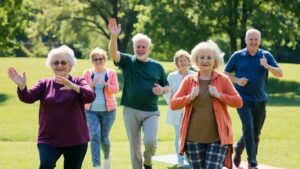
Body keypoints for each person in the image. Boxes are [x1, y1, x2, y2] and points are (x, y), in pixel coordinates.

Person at [7, 45, 96, 169]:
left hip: (76, 139)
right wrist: (22, 87)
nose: (59, 65)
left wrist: (73, 86)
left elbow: (91, 96)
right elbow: (28, 98)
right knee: (46, 165)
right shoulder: (44, 83)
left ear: (70, 65)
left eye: (63, 62)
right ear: (51, 66)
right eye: (55, 62)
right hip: (49, 139)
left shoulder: (79, 81)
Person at [170, 40, 243, 169]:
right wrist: (189, 97)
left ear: (215, 61)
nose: (205, 60)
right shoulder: (188, 81)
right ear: (196, 61)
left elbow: (239, 102)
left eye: (209, 58)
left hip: (219, 138)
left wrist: (220, 96)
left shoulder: (223, 80)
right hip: (192, 139)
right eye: (201, 57)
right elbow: (173, 104)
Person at [108, 18, 169, 169]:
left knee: (150, 142)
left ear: (149, 49)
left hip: (151, 111)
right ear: (134, 47)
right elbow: (113, 54)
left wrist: (162, 90)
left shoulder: (157, 66)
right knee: (134, 148)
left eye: (143, 47)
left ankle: (148, 162)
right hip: (130, 110)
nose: (140, 49)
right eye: (138, 47)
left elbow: (167, 86)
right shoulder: (128, 61)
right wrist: (114, 36)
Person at [224, 28, 283, 169]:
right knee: (248, 128)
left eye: (256, 39)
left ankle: (238, 150)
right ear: (246, 40)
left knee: (255, 132)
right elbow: (225, 73)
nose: (253, 41)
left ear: (259, 41)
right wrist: (237, 80)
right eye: (251, 39)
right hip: (242, 99)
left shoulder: (266, 55)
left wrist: (267, 66)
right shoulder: (238, 56)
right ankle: (253, 162)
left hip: (260, 100)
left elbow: (280, 73)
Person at [83, 47, 119, 169]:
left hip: (109, 111)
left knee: (104, 138)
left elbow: (116, 90)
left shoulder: (111, 73)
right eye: (95, 59)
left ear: (105, 59)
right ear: (92, 60)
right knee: (94, 136)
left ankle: (107, 155)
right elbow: (82, 90)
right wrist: (92, 85)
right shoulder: (88, 73)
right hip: (90, 110)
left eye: (101, 58)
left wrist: (107, 85)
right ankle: (96, 165)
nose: (98, 61)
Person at [163, 49, 195, 168]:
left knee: (191, 136)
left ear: (188, 62)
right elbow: (166, 92)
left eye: (185, 60)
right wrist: (172, 101)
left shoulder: (194, 75)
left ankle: (191, 159)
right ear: (177, 63)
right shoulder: (171, 76)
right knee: (179, 135)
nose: (183, 63)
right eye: (180, 61)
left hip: (192, 110)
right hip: (176, 110)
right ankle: (180, 160)